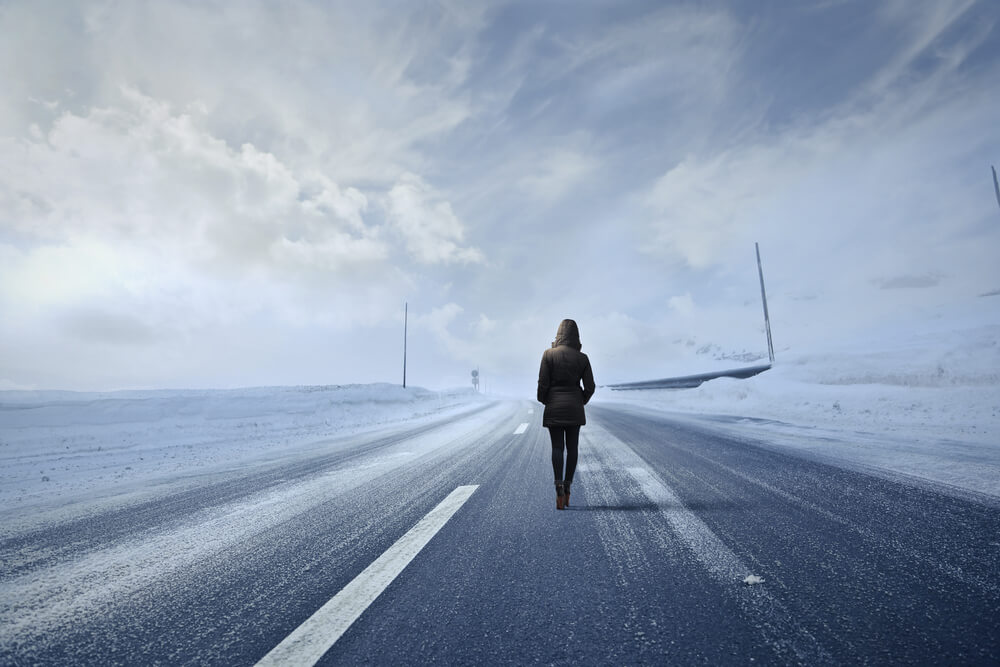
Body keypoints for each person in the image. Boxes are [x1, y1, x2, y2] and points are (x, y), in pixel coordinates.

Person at [536, 319, 596, 510]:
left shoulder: (548, 354)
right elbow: (590, 386)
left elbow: (542, 383)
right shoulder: (583, 358)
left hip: (554, 405)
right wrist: (581, 400)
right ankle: (568, 487)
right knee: (573, 448)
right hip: (574, 407)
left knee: (557, 448)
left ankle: (558, 486)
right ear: (576, 336)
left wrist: (545, 400)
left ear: (558, 335)